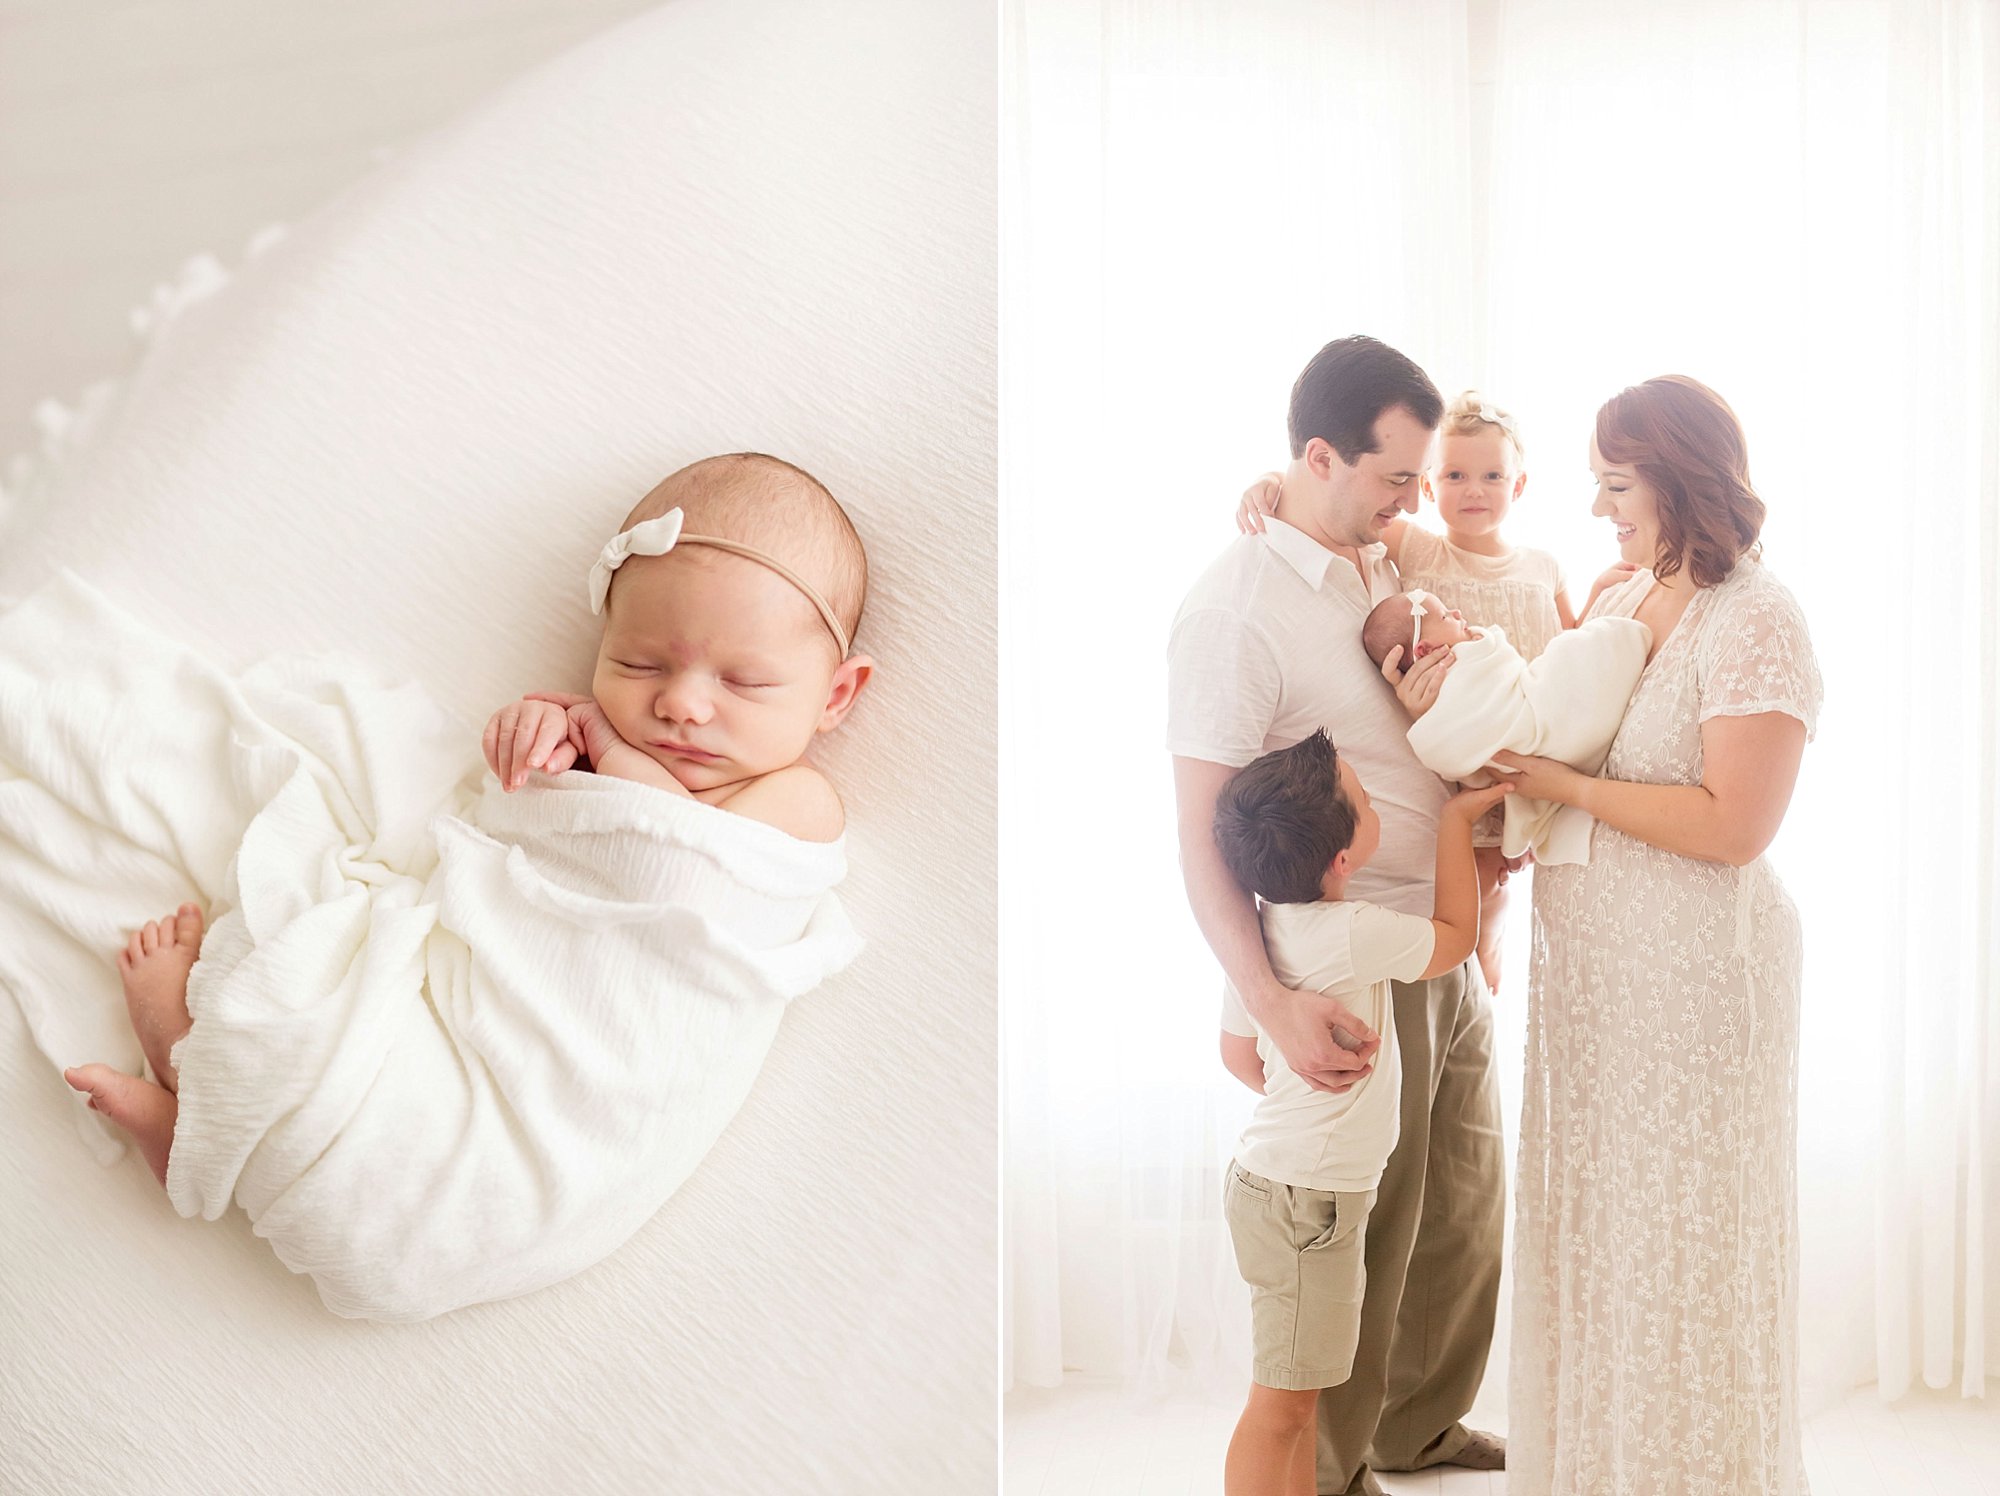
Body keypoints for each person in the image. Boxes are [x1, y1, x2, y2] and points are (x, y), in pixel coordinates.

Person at [63, 452, 875, 1189]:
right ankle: (202, 1119)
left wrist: (603, 744)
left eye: (744, 683)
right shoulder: (606, 744)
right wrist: (532, 746)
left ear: (835, 695)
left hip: (569, 1102)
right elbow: (505, 828)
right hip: (482, 1006)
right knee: (323, 1002)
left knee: (395, 1119)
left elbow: (677, 873)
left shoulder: (799, 802)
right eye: (639, 664)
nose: (682, 704)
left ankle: (192, 1076)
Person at [1168, 334, 1506, 1496]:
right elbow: (1200, 834)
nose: (1414, 502)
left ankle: (1418, 1424)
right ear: (1318, 454)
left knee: (1461, 1206)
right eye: (1394, 478)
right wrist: (1267, 1001)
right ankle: (1333, 1466)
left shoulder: (1367, 555)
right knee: (1368, 1226)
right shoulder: (1232, 615)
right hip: (1349, 955)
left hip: (1441, 931)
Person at [1489, 376, 1822, 1494]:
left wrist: (1560, 789)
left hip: (1696, 986)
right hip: (1597, 984)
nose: (1596, 507)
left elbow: (1733, 824)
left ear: (1681, 479)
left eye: (1613, 483)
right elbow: (1558, 727)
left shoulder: (1756, 618)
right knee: (1602, 1235)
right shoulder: (1626, 594)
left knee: (1683, 1245)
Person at [1237, 392, 1635, 993]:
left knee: (1516, 863)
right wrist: (1271, 482)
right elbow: (1328, 491)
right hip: (1468, 750)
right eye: (1453, 475)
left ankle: (1490, 945)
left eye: (1492, 476)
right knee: (1482, 876)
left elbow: (1568, 650)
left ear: (1519, 485)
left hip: (1529, 726)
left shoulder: (1543, 566)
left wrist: (1602, 592)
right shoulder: (1420, 548)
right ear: (1427, 481)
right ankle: (1478, 956)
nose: (1474, 490)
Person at [1209, 729, 1509, 1496]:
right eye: (1368, 801)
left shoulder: (1268, 932)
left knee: (1302, 1400)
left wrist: (1303, 1102)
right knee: (1281, 1408)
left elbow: (1238, 1054)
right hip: (1310, 1205)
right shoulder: (1351, 932)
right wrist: (1453, 824)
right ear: (1343, 859)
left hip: (1277, 1187)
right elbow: (1454, 941)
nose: (1376, 802)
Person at [1358, 588, 1651, 866]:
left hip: (1530, 728)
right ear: (1424, 649)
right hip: (1534, 727)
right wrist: (1484, 640)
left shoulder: (1455, 676)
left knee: (1565, 655)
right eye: (1446, 616)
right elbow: (1452, 742)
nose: (1458, 613)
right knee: (1575, 647)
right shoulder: (1451, 680)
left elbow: (1503, 677)